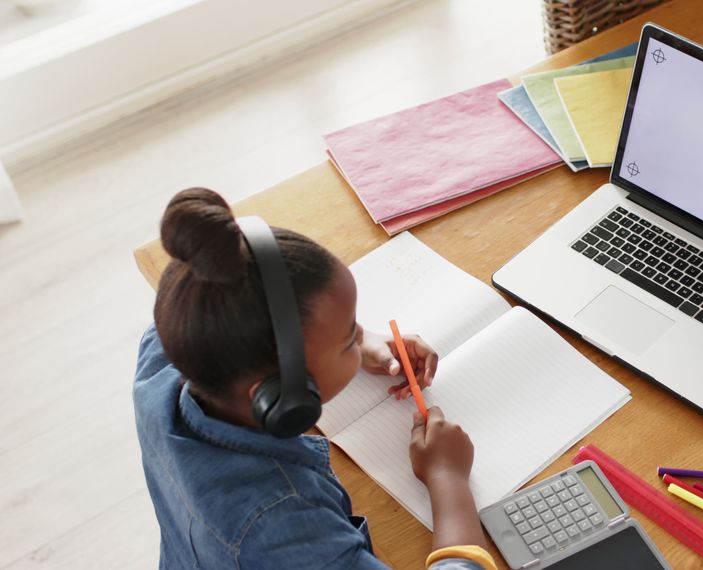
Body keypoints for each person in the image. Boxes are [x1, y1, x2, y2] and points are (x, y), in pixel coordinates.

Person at [133, 188, 495, 569]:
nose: (360, 338)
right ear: (282, 394)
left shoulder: (163, 360)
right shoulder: (285, 526)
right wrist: (448, 479)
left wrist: (359, 339)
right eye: (347, 342)